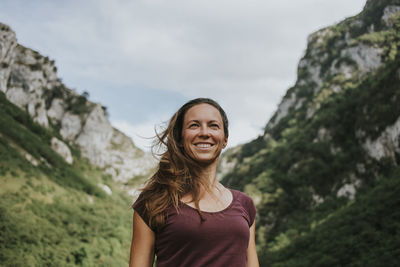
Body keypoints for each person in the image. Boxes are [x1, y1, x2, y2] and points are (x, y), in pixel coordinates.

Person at [129, 98, 259, 267]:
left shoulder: (245, 204)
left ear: (225, 139)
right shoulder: (153, 202)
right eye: (194, 125)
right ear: (181, 139)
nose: (204, 132)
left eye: (213, 125)